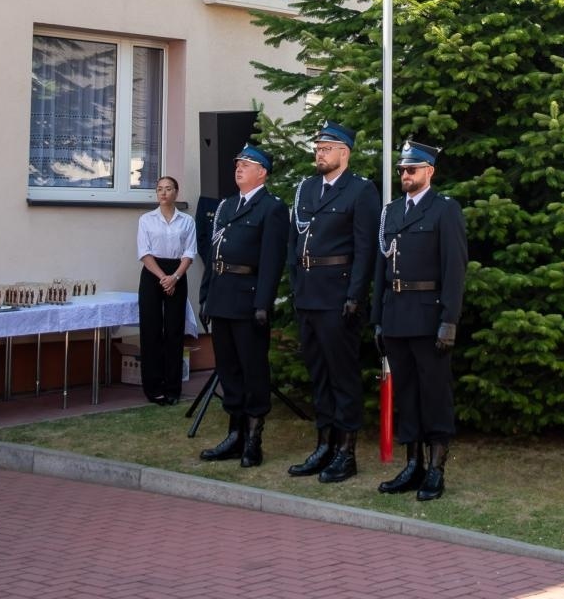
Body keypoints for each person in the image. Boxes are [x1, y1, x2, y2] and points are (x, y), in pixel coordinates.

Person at [372, 140, 468, 501]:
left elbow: (454, 269)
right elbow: (382, 268)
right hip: (396, 314)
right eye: (401, 170)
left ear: (429, 171)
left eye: (412, 169)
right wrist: (378, 318)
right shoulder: (392, 212)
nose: (405, 175)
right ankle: (412, 464)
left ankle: (436, 468)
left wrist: (449, 320)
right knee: (407, 395)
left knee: (434, 394)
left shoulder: (445, 210)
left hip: (429, 317)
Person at [287, 120, 381, 483]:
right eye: (318, 148)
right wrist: (296, 285)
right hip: (309, 293)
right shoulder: (307, 189)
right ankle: (324, 444)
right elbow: (294, 242)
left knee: (342, 376)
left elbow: (365, 248)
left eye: (327, 148)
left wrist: (355, 295)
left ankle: (346, 451)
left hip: (339, 295)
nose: (319, 153)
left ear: (345, 152)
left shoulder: (360, 191)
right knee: (318, 374)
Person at [198, 143, 288, 467]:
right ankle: (234, 435)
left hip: (249, 300)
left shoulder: (271, 208)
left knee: (253, 369)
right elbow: (214, 254)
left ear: (262, 172)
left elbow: (272, 261)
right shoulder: (226, 206)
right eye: (238, 163)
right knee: (228, 369)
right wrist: (205, 294)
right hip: (222, 296)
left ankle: (253, 439)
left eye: (247, 164)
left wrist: (263, 303)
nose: (239, 168)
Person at [137, 175, 197, 406]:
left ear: (176, 193)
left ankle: (173, 387)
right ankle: (153, 388)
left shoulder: (186, 221)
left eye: (168, 189)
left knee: (174, 331)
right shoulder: (146, 220)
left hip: (177, 273)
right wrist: (163, 278)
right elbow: (144, 252)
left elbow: (189, 253)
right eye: (159, 189)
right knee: (151, 330)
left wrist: (175, 277)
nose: (163, 193)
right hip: (153, 273)